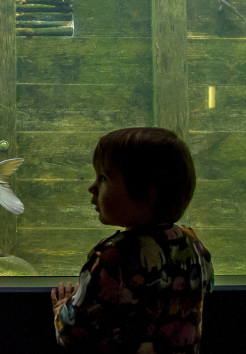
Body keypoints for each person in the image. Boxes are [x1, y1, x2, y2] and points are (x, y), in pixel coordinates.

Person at [51, 127, 214, 354]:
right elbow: (205, 289)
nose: (92, 187)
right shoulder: (193, 244)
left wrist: (61, 310)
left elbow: (71, 335)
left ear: (147, 196)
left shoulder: (111, 258)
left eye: (103, 178)